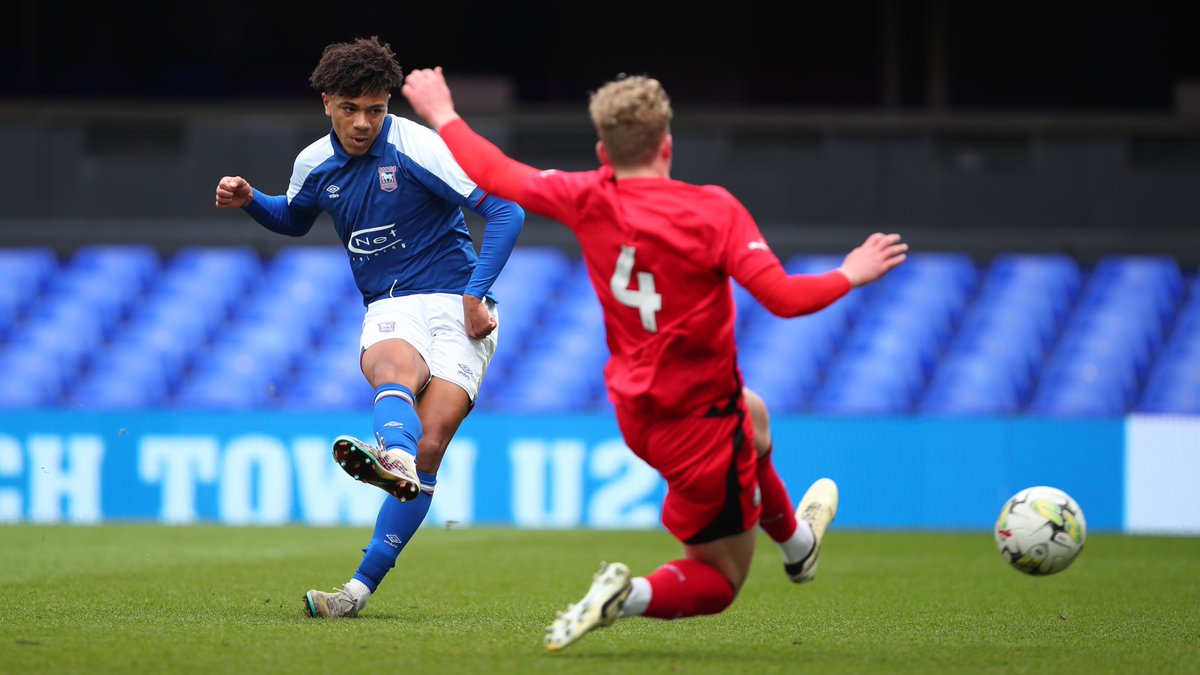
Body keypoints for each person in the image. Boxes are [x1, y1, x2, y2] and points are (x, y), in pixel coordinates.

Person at [399, 67, 907, 650]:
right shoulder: (714, 210)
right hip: (702, 425)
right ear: (667, 145)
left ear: (602, 152)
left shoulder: (586, 194)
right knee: (720, 579)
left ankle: (798, 548)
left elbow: (495, 172)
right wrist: (850, 273)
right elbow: (785, 299)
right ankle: (630, 594)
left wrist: (442, 113)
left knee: (757, 416)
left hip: (638, 413)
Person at [213, 37, 525, 619]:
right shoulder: (315, 162)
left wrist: (476, 295)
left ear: (387, 106)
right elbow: (294, 217)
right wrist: (253, 199)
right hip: (390, 301)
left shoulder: (415, 145)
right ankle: (394, 458)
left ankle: (356, 592)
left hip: (458, 303)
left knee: (431, 442)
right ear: (327, 102)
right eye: (350, 108)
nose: (362, 123)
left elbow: (507, 210)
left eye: (375, 109)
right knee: (391, 368)